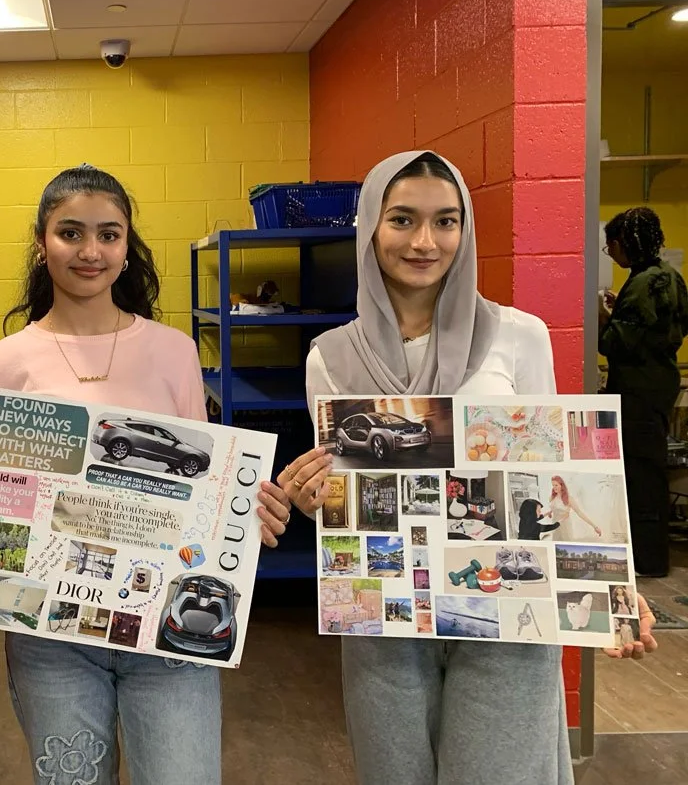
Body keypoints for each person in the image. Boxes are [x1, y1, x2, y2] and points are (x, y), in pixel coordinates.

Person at [276, 151, 658, 785]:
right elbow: (348, 508)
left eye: (446, 221)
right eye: (402, 219)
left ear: (465, 229)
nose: (424, 242)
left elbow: (558, 476)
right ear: (370, 227)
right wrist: (315, 499)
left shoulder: (519, 336)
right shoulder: (331, 357)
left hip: (506, 614)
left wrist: (608, 585)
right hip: (388, 621)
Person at [0, 165, 292, 785]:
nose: (90, 251)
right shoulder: (3, 363)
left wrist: (250, 510)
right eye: (71, 233)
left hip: (168, 626)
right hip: (50, 634)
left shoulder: (173, 350)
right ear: (42, 244)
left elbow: (205, 490)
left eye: (108, 235)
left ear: (126, 246)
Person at [600, 206, 688, 577]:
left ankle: (646, 561)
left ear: (623, 243)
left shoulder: (641, 284)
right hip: (660, 382)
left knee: (640, 476)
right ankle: (651, 557)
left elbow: (616, 343)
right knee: (650, 471)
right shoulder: (669, 276)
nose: (611, 253)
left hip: (638, 389)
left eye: (611, 245)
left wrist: (603, 318)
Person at [539, 474, 603, 540]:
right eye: (553, 485)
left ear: (561, 485)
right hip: (555, 525)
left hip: (565, 526)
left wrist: (595, 527)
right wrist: (550, 513)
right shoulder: (552, 497)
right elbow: (553, 508)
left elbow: (579, 512)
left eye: (556, 485)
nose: (554, 487)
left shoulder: (569, 499)